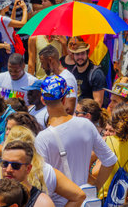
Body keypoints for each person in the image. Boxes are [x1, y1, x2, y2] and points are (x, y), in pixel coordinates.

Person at [35, 75, 117, 205]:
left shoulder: (42, 138)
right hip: (85, 202)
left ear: (43, 100)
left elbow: (42, 181)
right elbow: (110, 160)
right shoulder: (86, 125)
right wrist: (94, 189)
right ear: (64, 99)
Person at [38, 45, 78, 113]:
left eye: (42, 63)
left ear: (50, 60)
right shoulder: (55, 77)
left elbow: (69, 108)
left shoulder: (67, 79)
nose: (42, 66)